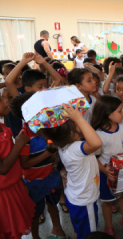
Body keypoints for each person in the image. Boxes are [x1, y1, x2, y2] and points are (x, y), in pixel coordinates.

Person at [10, 92, 68, 239]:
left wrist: (55, 156)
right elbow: (25, 163)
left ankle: (57, 229)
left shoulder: (48, 128)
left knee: (53, 204)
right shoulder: (24, 136)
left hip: (52, 176)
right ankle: (36, 236)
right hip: (34, 183)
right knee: (35, 213)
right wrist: (48, 154)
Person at [40, 101, 102, 239]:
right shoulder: (75, 148)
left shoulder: (64, 146)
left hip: (75, 197)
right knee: (89, 234)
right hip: (84, 201)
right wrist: (79, 118)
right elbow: (97, 143)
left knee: (79, 229)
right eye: (76, 123)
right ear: (71, 132)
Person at [91, 96, 123, 237]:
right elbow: (94, 158)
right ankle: (109, 226)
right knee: (107, 202)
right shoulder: (98, 135)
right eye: (120, 111)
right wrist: (104, 170)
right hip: (107, 175)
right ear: (109, 114)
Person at [0, 96, 36, 239]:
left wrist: (20, 181)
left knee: (15, 229)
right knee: (8, 230)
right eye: (1, 100)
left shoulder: (3, 127)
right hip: (3, 194)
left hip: (14, 185)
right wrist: (20, 142)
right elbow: (2, 169)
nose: (6, 101)